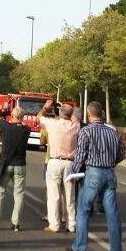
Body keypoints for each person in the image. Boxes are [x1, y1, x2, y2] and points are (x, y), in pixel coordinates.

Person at [68, 101, 124, 251]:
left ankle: (80, 246)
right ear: (102, 114)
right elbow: (121, 153)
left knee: (83, 209)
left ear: (89, 114)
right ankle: (116, 249)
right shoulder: (113, 132)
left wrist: (74, 173)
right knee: (112, 212)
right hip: (109, 173)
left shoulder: (86, 131)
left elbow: (80, 155)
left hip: (93, 172)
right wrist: (111, 163)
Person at [38, 99, 80, 234]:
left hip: (54, 161)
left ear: (60, 113)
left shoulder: (52, 124)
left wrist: (45, 107)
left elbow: (39, 117)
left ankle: (54, 224)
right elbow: (75, 118)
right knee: (70, 195)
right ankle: (71, 224)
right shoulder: (75, 126)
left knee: (53, 194)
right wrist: (68, 109)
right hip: (70, 163)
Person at [0, 106, 30, 232]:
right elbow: (20, 124)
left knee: (0, 193)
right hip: (20, 165)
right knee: (18, 194)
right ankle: (16, 223)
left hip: (6, 165)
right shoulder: (26, 130)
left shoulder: (5, 126)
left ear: (12, 115)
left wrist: (0, 109)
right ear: (22, 117)